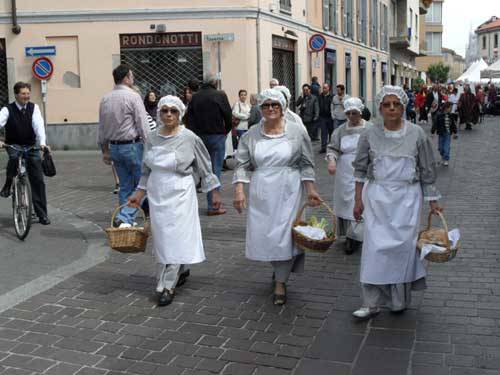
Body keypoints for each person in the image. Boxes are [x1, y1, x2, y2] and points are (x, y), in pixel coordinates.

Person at [351, 85, 442, 319]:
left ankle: (398, 300)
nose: (392, 108)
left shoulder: (416, 134)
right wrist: (357, 200)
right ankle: (371, 302)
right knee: (374, 249)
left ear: (403, 107)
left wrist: (433, 201)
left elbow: (427, 169)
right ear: (380, 108)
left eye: (396, 104)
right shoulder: (369, 134)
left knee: (402, 249)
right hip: (378, 198)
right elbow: (360, 169)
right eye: (387, 104)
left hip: (407, 200)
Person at [128, 96, 222, 306]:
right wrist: (138, 194)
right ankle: (181, 268)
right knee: (162, 239)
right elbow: (146, 170)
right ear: (159, 113)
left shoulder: (189, 137)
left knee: (176, 237)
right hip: (157, 192)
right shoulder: (151, 138)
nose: (169, 114)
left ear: (180, 114)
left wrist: (214, 192)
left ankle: (167, 285)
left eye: (173, 111)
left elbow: (206, 167)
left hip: (181, 192)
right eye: (165, 111)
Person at [233, 88, 322, 306]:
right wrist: (239, 191)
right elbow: (242, 165)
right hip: (262, 190)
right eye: (266, 105)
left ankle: (280, 282)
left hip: (289, 189)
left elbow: (306, 163)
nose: (271, 109)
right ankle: (278, 269)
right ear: (260, 108)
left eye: (275, 105)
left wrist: (310, 189)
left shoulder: (296, 131)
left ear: (282, 107)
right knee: (266, 237)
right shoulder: (252, 133)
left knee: (285, 236)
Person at [98, 64, 149, 226]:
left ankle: (124, 218)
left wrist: (104, 150)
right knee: (141, 183)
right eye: (131, 76)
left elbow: (102, 127)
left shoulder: (105, 99)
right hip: (132, 146)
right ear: (126, 78)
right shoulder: (133, 97)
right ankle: (126, 216)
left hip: (115, 148)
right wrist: (151, 146)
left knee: (125, 185)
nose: (133, 79)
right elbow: (143, 124)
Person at [0, 82, 51, 225]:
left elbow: (38, 125)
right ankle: (8, 183)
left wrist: (42, 143)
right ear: (16, 94)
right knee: (14, 157)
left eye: (28, 93)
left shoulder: (33, 108)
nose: (26, 96)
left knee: (38, 180)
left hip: (30, 145)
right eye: (23, 93)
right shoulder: (7, 109)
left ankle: (42, 215)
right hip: (13, 144)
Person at [327, 97, 372, 255]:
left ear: (360, 112)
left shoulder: (370, 129)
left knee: (360, 201)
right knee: (346, 202)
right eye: (349, 114)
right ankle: (349, 236)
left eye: (355, 113)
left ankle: (357, 237)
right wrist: (332, 161)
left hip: (364, 171)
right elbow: (332, 148)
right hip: (344, 171)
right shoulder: (340, 131)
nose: (352, 117)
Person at [184, 74, 232, 216]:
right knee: (215, 170)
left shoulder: (196, 97)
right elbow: (228, 116)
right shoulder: (220, 95)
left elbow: (188, 118)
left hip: (199, 137)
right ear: (215, 83)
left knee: (202, 170)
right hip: (216, 136)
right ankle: (213, 205)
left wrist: (193, 134)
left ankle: (206, 203)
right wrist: (225, 132)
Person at [432, 102, 457, 166]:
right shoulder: (439, 115)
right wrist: (433, 132)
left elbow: (453, 125)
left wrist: (455, 133)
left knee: (446, 147)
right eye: (450, 108)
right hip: (441, 134)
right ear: (446, 108)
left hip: (448, 134)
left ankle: (446, 159)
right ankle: (443, 156)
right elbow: (435, 124)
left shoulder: (451, 116)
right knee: (440, 148)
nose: (451, 109)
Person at [318, 83, 334, 154]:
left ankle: (331, 146)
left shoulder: (332, 96)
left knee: (331, 132)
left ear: (328, 89)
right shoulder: (319, 96)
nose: (324, 89)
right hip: (322, 117)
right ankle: (323, 148)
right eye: (323, 88)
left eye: (325, 88)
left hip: (330, 117)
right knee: (323, 133)